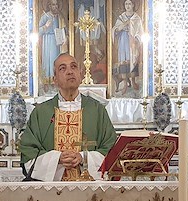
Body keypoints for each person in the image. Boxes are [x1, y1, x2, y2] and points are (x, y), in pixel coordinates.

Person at [20, 53, 116, 181]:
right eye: (62, 68)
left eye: (74, 67)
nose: (70, 72)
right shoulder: (41, 112)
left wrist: (83, 157)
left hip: (89, 190)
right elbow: (29, 154)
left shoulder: (97, 110)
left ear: (81, 75)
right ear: (55, 80)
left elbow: (111, 150)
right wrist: (57, 159)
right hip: (51, 192)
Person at [112, 0, 144, 96]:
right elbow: (115, 30)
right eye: (126, 4)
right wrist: (123, 25)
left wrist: (136, 39)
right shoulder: (121, 17)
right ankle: (125, 83)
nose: (128, 6)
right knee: (123, 60)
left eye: (130, 3)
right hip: (123, 41)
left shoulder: (136, 18)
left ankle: (133, 81)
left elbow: (140, 31)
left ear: (133, 5)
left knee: (132, 60)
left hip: (132, 42)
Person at [38, 0, 68, 89]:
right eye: (53, 4)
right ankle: (47, 85)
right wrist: (46, 26)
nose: (55, 6)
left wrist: (65, 36)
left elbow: (65, 30)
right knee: (48, 61)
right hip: (48, 41)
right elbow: (37, 31)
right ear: (49, 6)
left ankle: (57, 83)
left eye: (56, 4)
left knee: (56, 61)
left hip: (57, 42)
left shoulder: (60, 17)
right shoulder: (45, 16)